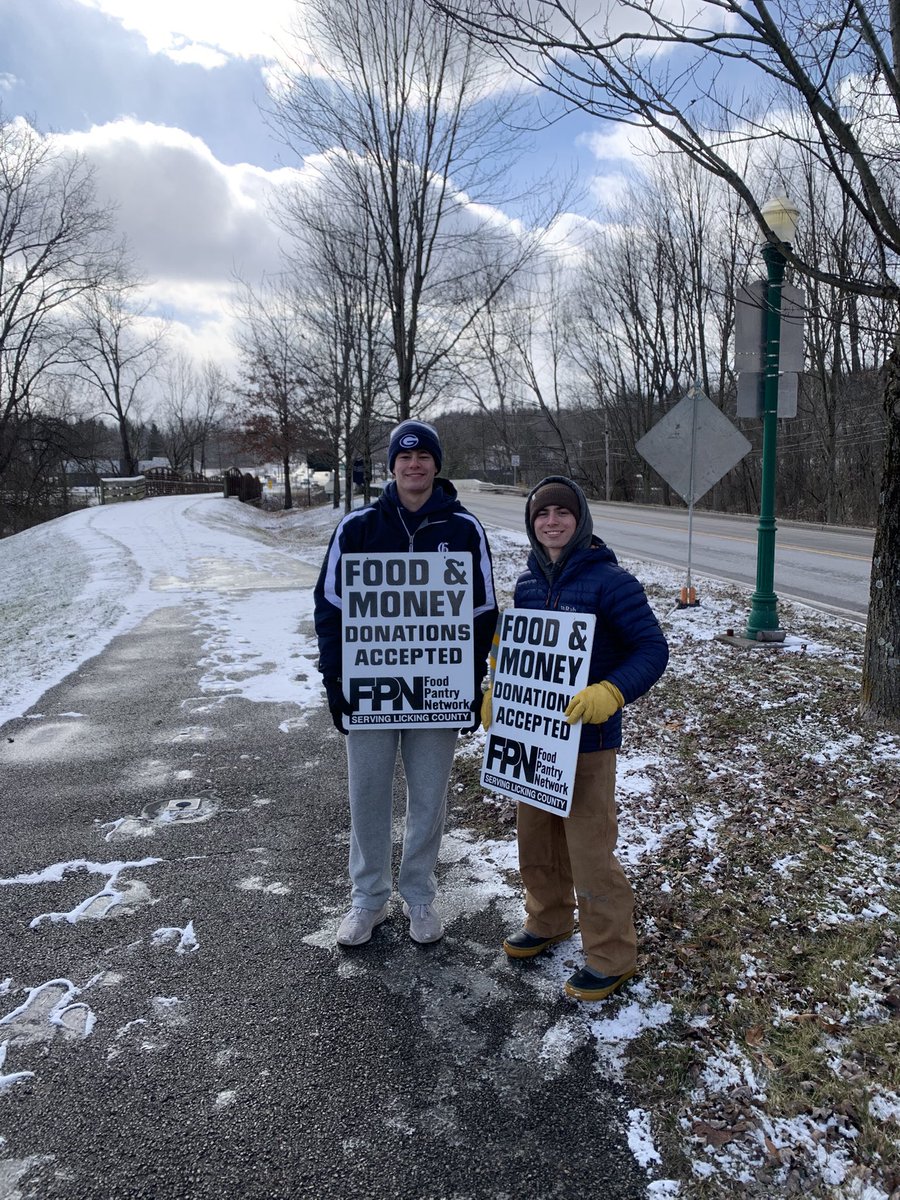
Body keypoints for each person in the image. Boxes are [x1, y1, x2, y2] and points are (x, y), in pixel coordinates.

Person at [482, 475, 668, 1001]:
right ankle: (548, 920)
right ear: (531, 523)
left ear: (580, 519)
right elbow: (522, 654)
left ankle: (612, 955)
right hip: (533, 737)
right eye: (543, 514)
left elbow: (653, 650)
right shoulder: (528, 585)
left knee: (590, 850)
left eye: (563, 512)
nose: (552, 521)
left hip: (588, 738)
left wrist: (613, 690)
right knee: (535, 838)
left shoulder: (612, 581)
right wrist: (501, 689)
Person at [315, 419, 498, 947]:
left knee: (429, 798)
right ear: (391, 466)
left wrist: (471, 679)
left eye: (423, 458)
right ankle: (368, 900)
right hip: (372, 686)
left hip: (438, 688)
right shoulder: (358, 528)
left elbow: (483, 611)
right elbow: (329, 608)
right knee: (367, 793)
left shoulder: (464, 529)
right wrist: (335, 681)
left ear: (436, 465)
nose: (414, 465)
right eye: (404, 457)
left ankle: (419, 895)